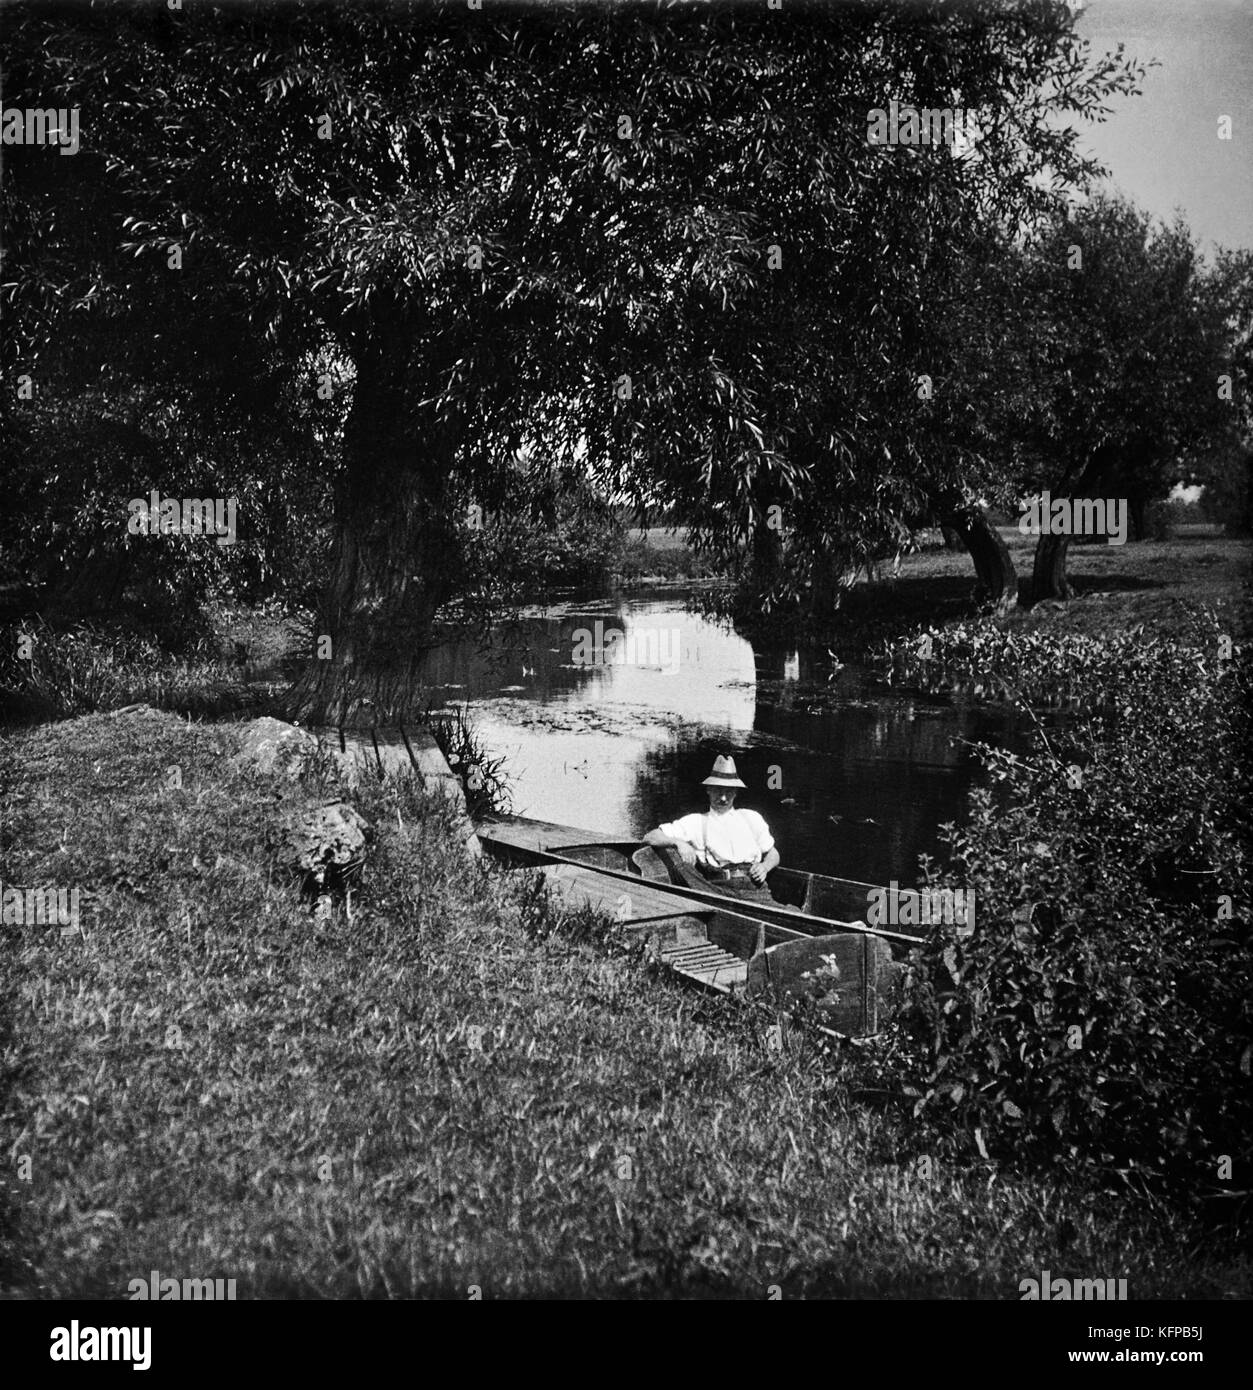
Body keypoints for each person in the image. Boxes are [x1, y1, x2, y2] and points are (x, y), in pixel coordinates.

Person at [643, 755, 781, 902]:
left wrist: (765, 867)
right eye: (718, 791)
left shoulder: (751, 818)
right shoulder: (695, 822)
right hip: (718, 889)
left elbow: (773, 852)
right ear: (708, 790)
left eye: (728, 792)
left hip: (754, 887)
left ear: (735, 792)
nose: (723, 798)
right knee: (681, 867)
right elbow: (650, 836)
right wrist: (678, 843)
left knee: (789, 916)